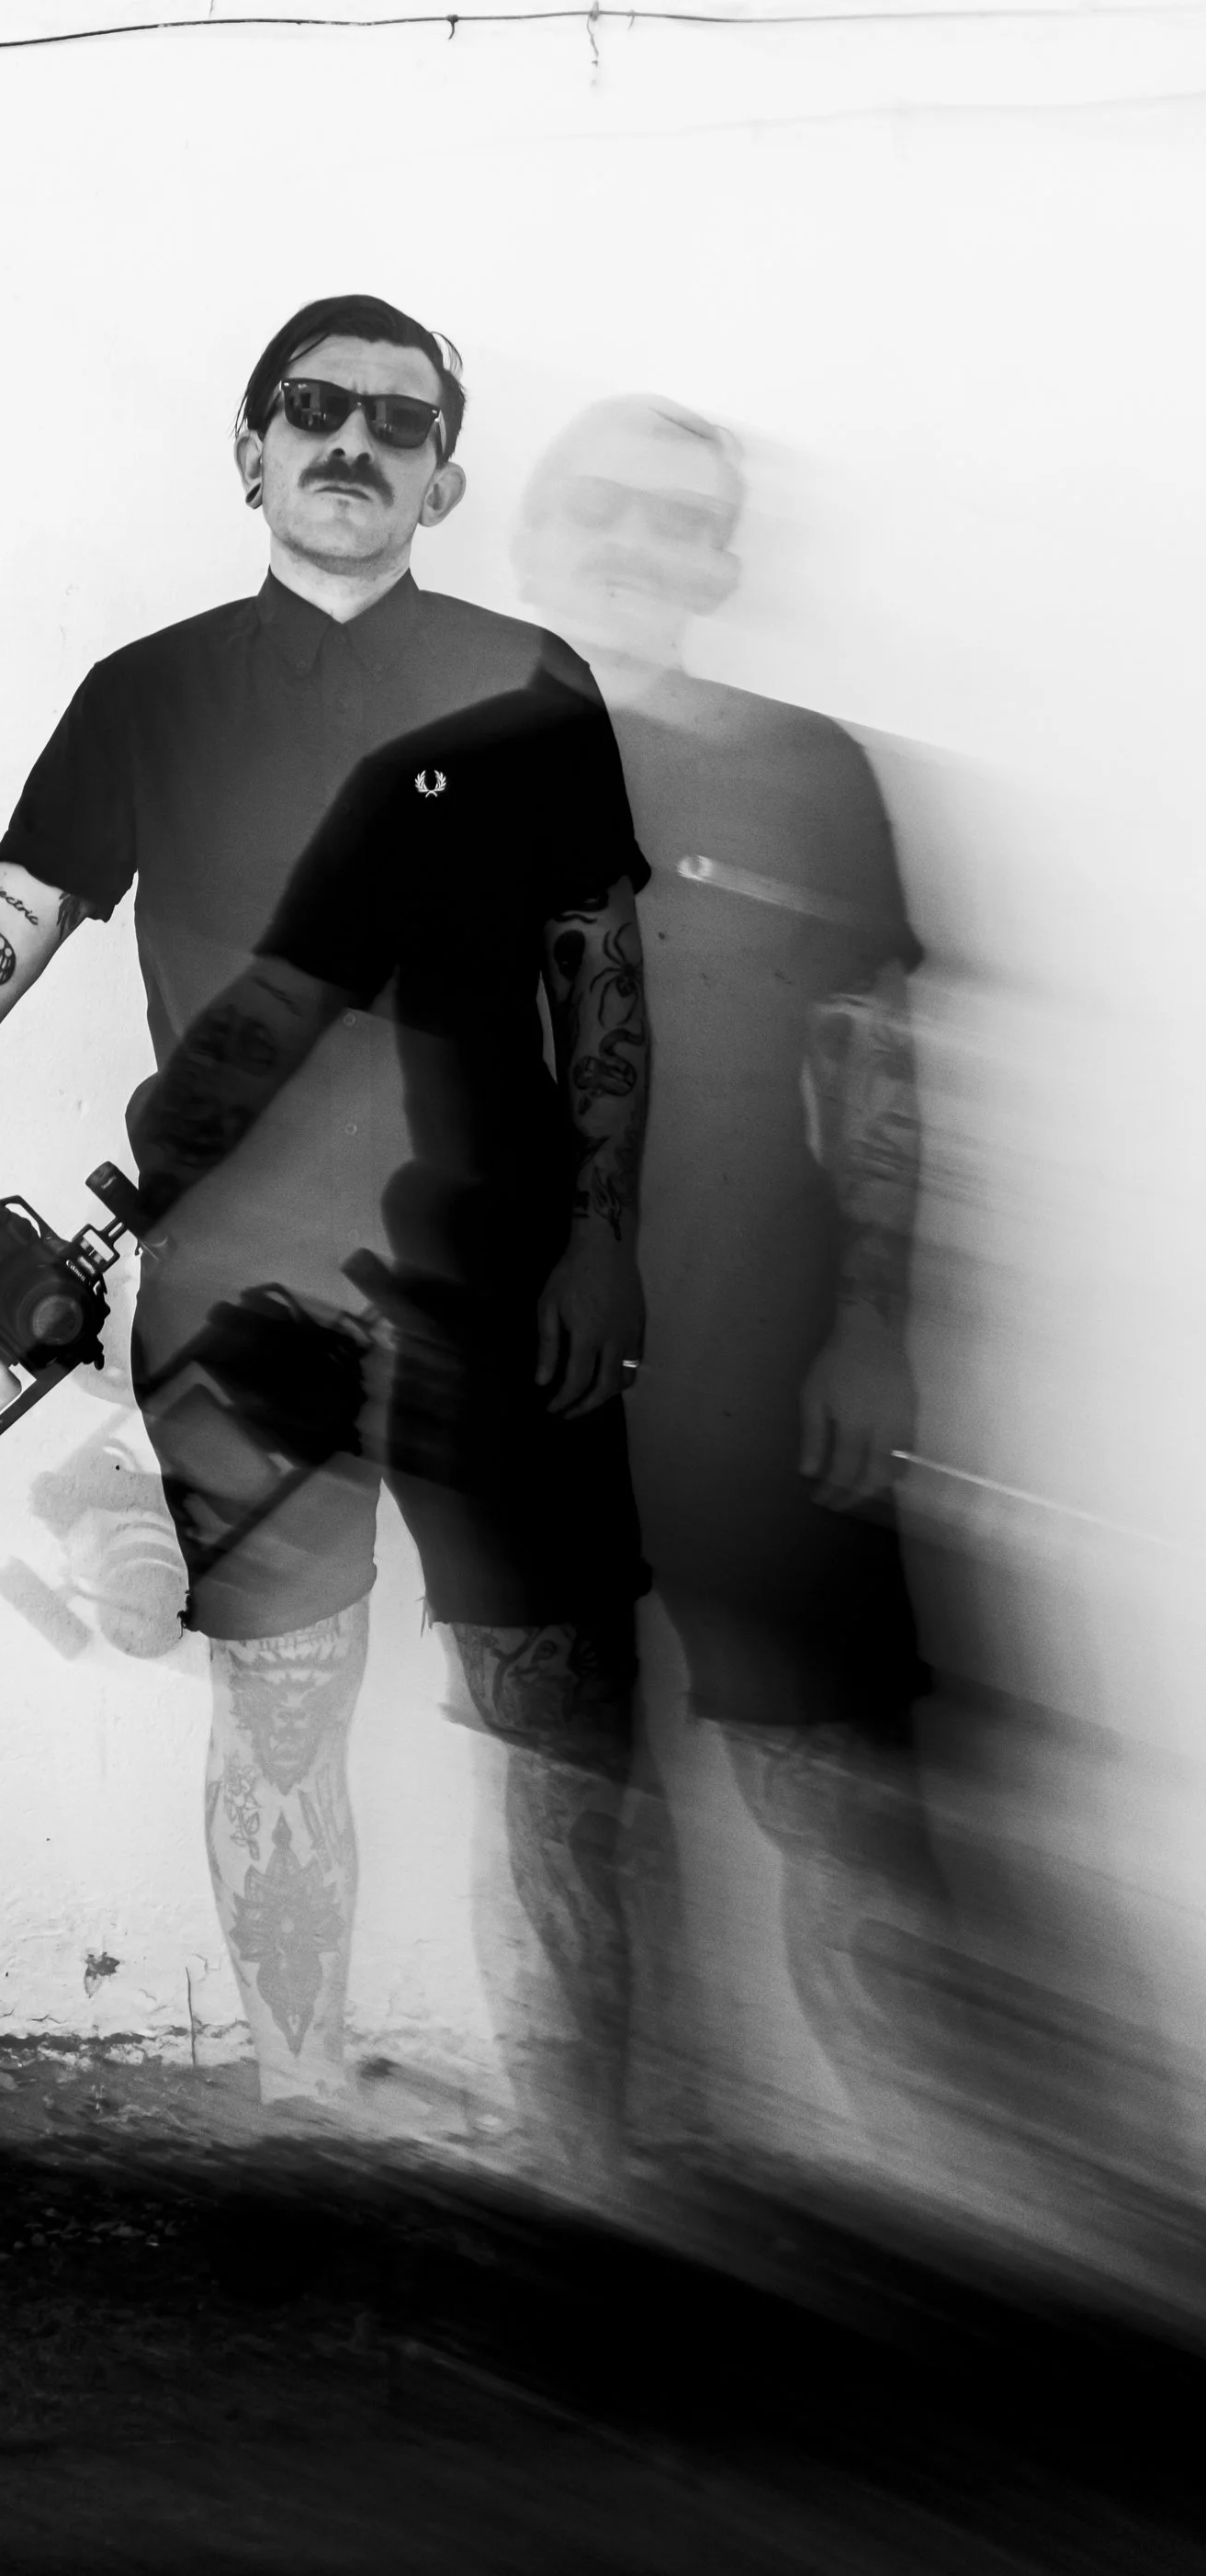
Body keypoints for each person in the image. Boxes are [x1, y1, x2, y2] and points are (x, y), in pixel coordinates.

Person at [0, 298, 652, 2127]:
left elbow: (605, 980)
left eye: (396, 423)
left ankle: (588, 2152)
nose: (352, 442)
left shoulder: (529, 682)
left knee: (559, 1712)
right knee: (277, 1699)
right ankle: (310, 2101)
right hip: (238, 1280)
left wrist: (601, 1234)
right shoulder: (148, 692)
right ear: (248, 452)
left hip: (495, 1276)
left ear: (444, 475)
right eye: (311, 410)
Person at [511, 396, 941, 2125]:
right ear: (537, 528)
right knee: (559, 1790)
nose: (638, 545)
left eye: (682, 522)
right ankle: (591, 2212)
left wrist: (873, 1329)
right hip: (516, 1373)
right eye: (605, 508)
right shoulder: (441, 756)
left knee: (831, 1787)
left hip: (765, 1365)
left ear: (724, 561)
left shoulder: (807, 767)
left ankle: (943, 2198)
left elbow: (875, 1062)